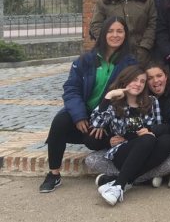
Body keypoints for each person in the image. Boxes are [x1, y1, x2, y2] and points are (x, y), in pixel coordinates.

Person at [39, 17, 138, 193]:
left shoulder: (130, 63)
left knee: (93, 141)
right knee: (60, 122)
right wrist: (79, 116)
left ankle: (104, 142)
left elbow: (127, 95)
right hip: (85, 109)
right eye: (110, 31)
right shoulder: (86, 60)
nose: (115, 35)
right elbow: (71, 88)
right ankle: (54, 174)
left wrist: (102, 118)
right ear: (103, 34)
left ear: (125, 35)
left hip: (109, 113)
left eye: (120, 31)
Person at [90, 65, 170, 205]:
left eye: (142, 81)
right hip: (123, 151)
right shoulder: (114, 103)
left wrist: (151, 130)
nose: (138, 84)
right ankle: (119, 186)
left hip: (147, 148)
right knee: (147, 139)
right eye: (134, 80)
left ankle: (117, 182)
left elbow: (159, 126)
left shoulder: (151, 101)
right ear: (124, 80)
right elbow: (96, 123)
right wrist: (108, 97)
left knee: (167, 141)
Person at [90, 0, 157, 63]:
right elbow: (96, 25)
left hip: (141, 54)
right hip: (112, 54)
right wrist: (110, 44)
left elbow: (152, 24)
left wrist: (144, 47)